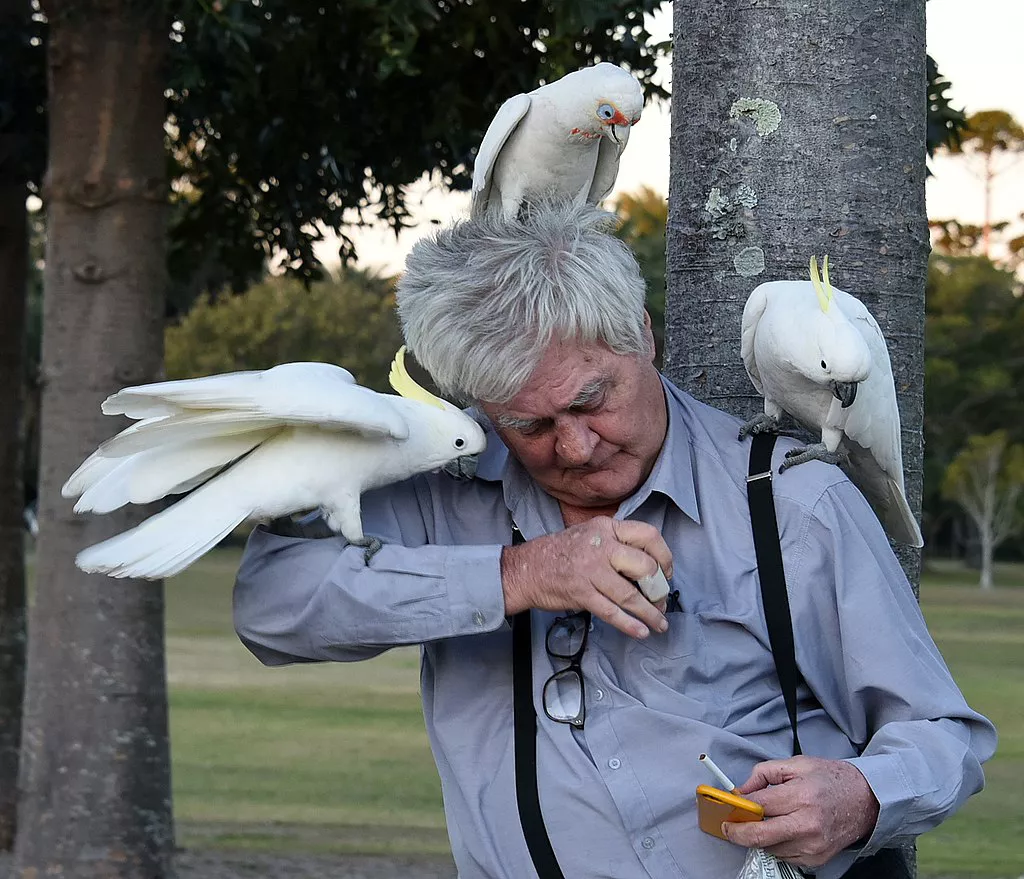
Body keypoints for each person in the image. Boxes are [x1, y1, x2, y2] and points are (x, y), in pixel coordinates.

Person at [233, 201, 995, 879]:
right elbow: (271, 603)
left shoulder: (792, 502)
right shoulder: (448, 481)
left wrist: (861, 795)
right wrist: (514, 576)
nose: (573, 447)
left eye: (592, 400)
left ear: (643, 337)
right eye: (528, 424)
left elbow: (941, 733)